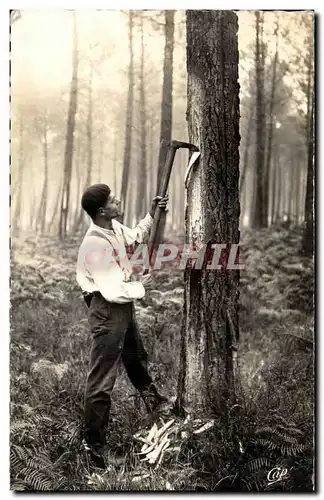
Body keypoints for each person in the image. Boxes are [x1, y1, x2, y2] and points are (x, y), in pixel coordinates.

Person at [76, 183, 169, 468]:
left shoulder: (113, 228)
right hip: (107, 309)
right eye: (114, 199)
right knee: (102, 380)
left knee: (135, 358)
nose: (120, 200)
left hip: (121, 307)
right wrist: (142, 287)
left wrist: (152, 214)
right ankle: (95, 450)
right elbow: (113, 291)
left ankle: (159, 408)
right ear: (103, 211)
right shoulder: (94, 245)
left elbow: (136, 235)